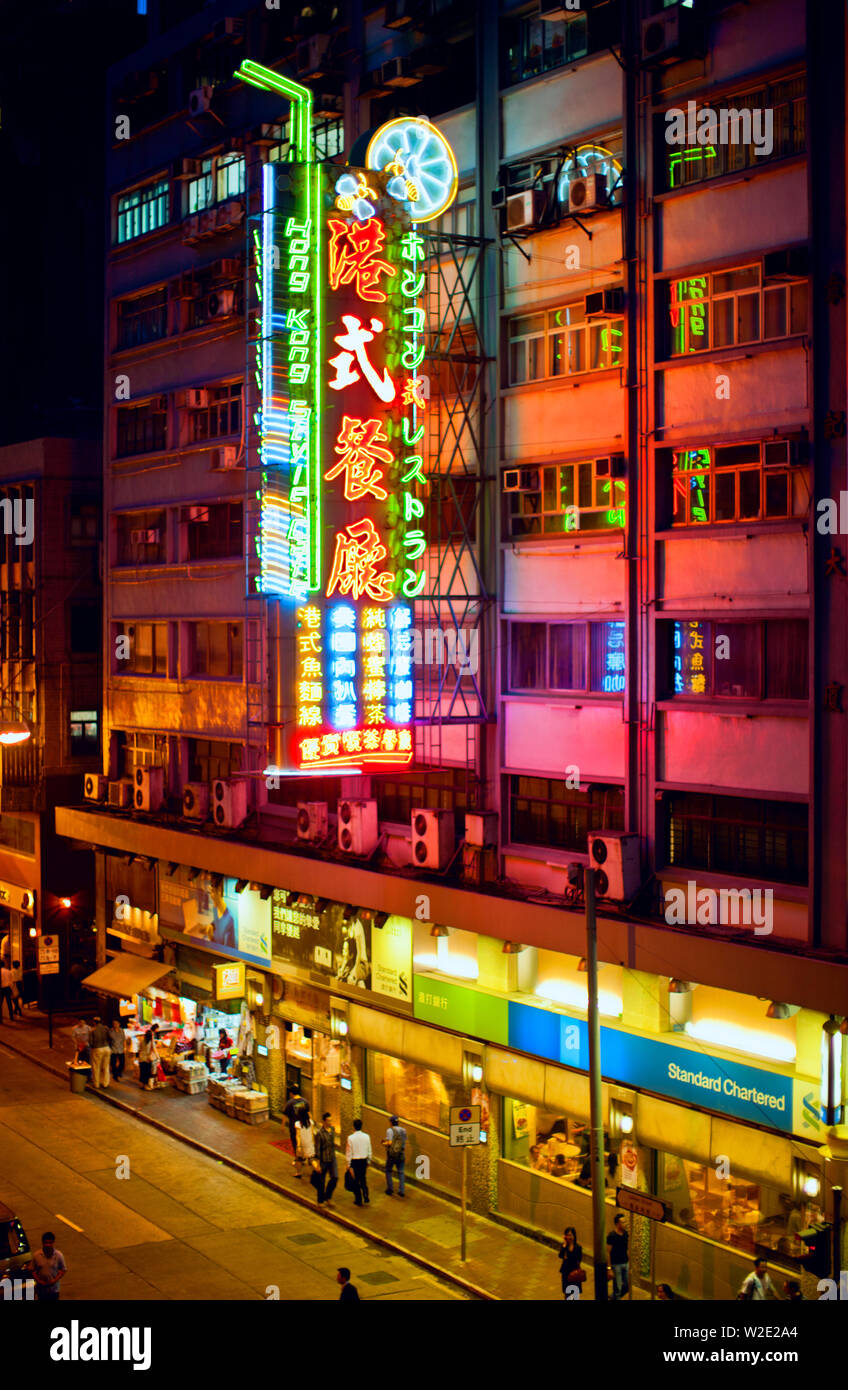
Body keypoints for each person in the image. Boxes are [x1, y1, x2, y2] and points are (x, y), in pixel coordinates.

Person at [30, 1232, 67, 1301]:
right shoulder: (37, 1255)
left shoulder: (58, 1255)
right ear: (42, 1243)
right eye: (46, 1243)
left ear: (53, 1243)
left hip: (54, 1289)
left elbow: (63, 1270)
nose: (48, 1245)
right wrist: (38, 1280)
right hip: (41, 1289)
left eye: (50, 1243)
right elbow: (32, 1270)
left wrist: (54, 1280)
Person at [345, 1118, 372, 1207]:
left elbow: (349, 1152)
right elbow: (369, 1149)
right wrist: (369, 1160)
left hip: (355, 1161)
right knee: (363, 1178)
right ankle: (365, 1194)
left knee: (356, 1180)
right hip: (363, 1160)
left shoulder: (350, 1138)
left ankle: (358, 1199)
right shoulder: (366, 1136)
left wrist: (348, 1164)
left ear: (354, 1127)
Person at [313, 1112, 338, 1206]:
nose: (330, 1122)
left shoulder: (332, 1130)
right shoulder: (320, 1133)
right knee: (321, 1181)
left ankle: (328, 1196)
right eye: (328, 1120)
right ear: (324, 1121)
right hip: (323, 1159)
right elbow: (318, 1149)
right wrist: (317, 1163)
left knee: (335, 1177)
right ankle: (320, 1200)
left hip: (332, 1158)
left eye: (331, 1120)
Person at [382, 1114, 407, 1196]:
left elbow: (389, 1142)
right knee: (401, 1172)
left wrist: (384, 1143)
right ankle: (402, 1191)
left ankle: (390, 1189)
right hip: (401, 1153)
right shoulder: (404, 1130)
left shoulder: (390, 1130)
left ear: (391, 1122)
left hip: (392, 1155)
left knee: (388, 1170)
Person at [607, 1212, 630, 1300]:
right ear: (617, 1224)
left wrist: (629, 1262)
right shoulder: (612, 1236)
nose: (625, 1224)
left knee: (626, 1286)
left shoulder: (625, 1234)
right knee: (617, 1288)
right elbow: (608, 1252)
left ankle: (613, 1297)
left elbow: (626, 1248)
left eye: (625, 1222)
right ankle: (615, 1297)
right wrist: (609, 1269)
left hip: (625, 1263)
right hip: (616, 1265)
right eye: (623, 1222)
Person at [283, 1086, 308, 1164]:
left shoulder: (290, 1103)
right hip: (304, 1125)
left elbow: (285, 1115)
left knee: (295, 1142)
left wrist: (283, 1125)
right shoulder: (305, 1101)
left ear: (291, 1093)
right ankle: (304, 1156)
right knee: (304, 1141)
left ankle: (298, 1157)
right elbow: (308, 1113)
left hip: (294, 1126)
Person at [558, 1226, 583, 1300]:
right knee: (567, 1295)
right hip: (566, 1273)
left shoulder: (578, 1247)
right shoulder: (564, 1246)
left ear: (574, 1236)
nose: (569, 1237)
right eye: (567, 1235)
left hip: (575, 1273)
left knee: (575, 1295)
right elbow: (560, 1255)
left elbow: (579, 1259)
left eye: (571, 1235)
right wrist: (564, 1245)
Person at [208, 882, 235, 948]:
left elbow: (227, 950)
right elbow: (216, 924)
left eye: (212, 892)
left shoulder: (229, 919)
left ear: (219, 891)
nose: (211, 896)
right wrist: (211, 927)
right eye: (210, 892)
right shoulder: (215, 909)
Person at [89, 1016, 112, 1088]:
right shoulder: (106, 1028)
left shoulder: (92, 1030)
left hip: (97, 1049)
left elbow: (91, 1042)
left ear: (94, 1022)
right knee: (106, 1066)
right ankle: (106, 1083)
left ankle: (96, 1084)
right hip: (107, 1048)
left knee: (96, 1067)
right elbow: (110, 1038)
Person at [295, 1109, 315, 1178]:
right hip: (309, 1142)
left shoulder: (298, 1123)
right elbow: (312, 1134)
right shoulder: (311, 1122)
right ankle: (315, 1172)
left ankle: (298, 1173)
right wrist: (313, 1143)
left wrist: (298, 1145)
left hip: (302, 1143)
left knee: (299, 1159)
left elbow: (298, 1135)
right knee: (311, 1159)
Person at [0, 958, 15, 1022]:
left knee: (0, 1003)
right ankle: (11, 1016)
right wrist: (12, 989)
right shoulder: (8, 971)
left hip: (1, 989)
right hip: (7, 988)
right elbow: (11, 981)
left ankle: (0, 1018)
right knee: (9, 1002)